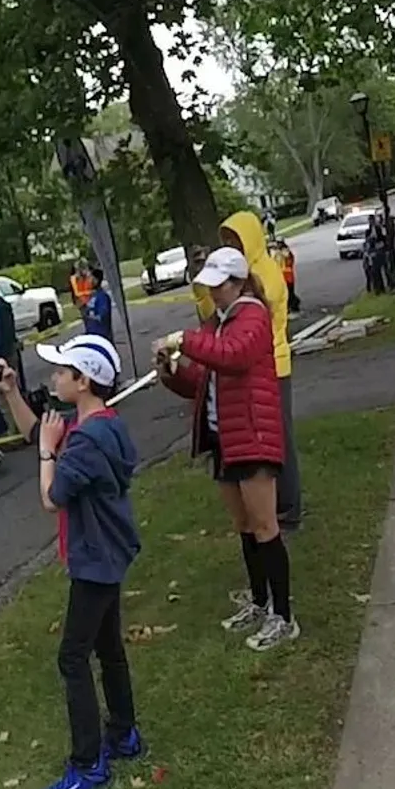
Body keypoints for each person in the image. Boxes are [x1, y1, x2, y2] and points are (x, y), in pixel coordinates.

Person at [0, 335, 144, 789]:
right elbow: (40, 431)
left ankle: (88, 766)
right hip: (108, 553)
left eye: (62, 371)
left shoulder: (85, 443)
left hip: (94, 560)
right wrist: (12, 394)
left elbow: (51, 496)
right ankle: (124, 734)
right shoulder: (101, 425)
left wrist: (46, 454)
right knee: (108, 647)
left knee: (72, 658)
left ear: (84, 381)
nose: (53, 377)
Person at [161, 246, 298, 652]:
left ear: (238, 283)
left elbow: (234, 358)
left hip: (252, 436)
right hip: (224, 437)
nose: (213, 293)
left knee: (265, 526)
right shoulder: (219, 322)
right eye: (209, 286)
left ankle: (283, 616)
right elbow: (204, 379)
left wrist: (185, 340)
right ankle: (259, 601)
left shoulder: (253, 316)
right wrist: (172, 371)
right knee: (244, 525)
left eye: (218, 286)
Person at [196, 211, 302, 535]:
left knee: (279, 440)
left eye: (236, 239)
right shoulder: (235, 276)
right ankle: (268, 509)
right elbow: (213, 315)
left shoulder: (264, 275)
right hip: (251, 370)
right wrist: (203, 288)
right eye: (226, 239)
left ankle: (288, 507)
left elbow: (245, 324)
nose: (231, 244)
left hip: (273, 363)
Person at [81, 268, 113, 343]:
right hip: (92, 336)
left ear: (96, 280)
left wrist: (88, 316)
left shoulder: (103, 297)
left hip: (101, 337)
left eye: (90, 278)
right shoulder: (93, 296)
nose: (88, 281)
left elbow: (102, 316)